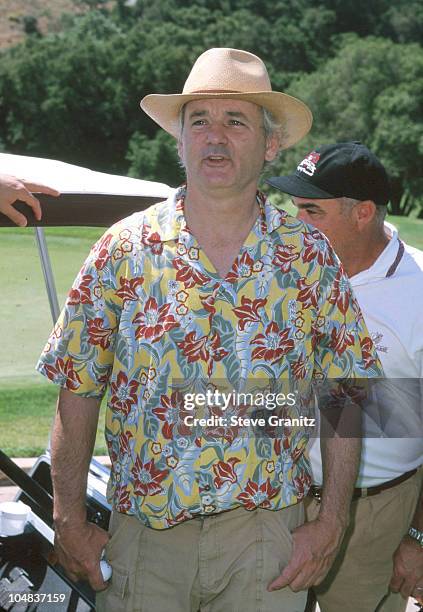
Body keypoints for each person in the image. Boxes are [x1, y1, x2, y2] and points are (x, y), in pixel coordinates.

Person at [37, 50, 382, 612]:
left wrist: (331, 521)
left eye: (235, 122)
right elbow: (76, 390)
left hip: (267, 543)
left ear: (271, 146)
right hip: (146, 541)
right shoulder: (123, 251)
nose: (214, 138)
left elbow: (346, 392)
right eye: (199, 122)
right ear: (180, 141)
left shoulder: (308, 256)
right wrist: (69, 518)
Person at [267, 141, 423, 612]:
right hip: (279, 505)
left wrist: (417, 535)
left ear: (364, 213)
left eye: (313, 211)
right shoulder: (287, 269)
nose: (297, 224)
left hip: (375, 515)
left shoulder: (418, 289)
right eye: (295, 209)